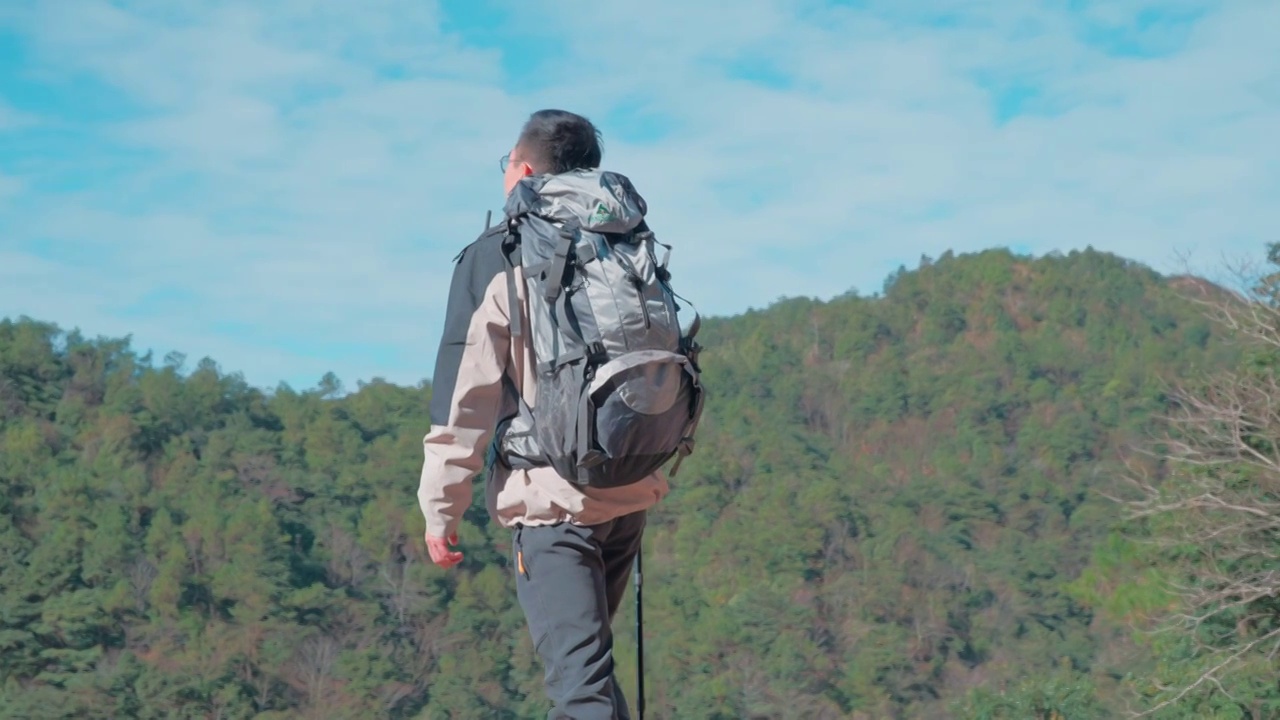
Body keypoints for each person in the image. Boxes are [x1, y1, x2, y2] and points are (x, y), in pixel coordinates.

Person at [417, 109, 670, 720]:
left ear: (522, 169)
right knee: (589, 670)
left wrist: (440, 510)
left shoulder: (500, 250)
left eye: (505, 164)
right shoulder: (626, 239)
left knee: (578, 686)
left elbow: (465, 396)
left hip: (553, 500)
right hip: (628, 482)